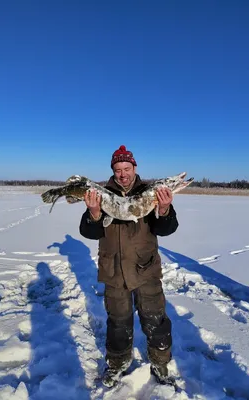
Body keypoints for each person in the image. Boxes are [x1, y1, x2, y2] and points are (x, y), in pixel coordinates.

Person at [79, 145, 179, 387]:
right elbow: (88, 232)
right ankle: (117, 365)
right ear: (113, 170)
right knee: (118, 323)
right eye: (117, 169)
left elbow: (166, 229)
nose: (122, 173)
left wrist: (164, 209)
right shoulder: (101, 194)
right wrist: (93, 212)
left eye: (126, 168)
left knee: (155, 319)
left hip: (146, 269)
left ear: (134, 168)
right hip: (113, 271)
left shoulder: (149, 192)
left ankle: (160, 362)